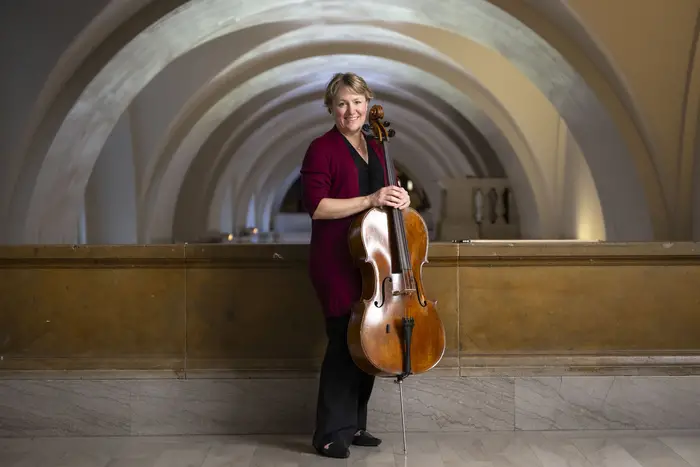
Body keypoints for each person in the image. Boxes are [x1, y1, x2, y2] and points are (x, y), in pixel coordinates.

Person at [300, 72, 411, 459]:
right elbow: (317, 206)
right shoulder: (322, 149)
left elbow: (389, 194)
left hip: (374, 259)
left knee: (369, 342)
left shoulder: (378, 147)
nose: (352, 110)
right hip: (336, 260)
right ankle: (330, 433)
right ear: (331, 107)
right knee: (343, 344)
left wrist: (399, 199)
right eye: (343, 103)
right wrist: (369, 199)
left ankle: (356, 423)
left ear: (369, 104)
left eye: (358, 102)